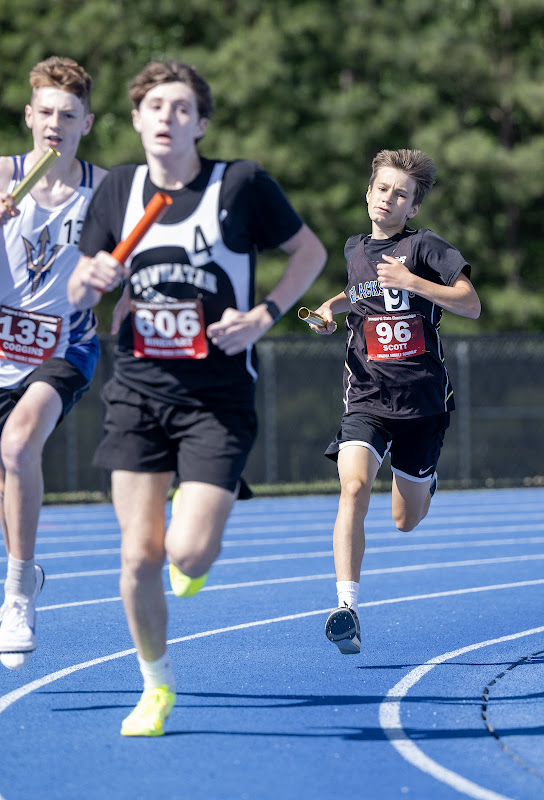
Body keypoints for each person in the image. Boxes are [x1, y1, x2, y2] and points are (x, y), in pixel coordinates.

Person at [67, 59, 326, 736]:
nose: (167, 117)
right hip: (138, 393)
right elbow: (79, 290)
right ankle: (155, 685)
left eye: (182, 108)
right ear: (135, 118)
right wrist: (89, 277)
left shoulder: (239, 184)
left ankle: (198, 527)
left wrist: (264, 315)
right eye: (155, 105)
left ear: (201, 123)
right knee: (136, 556)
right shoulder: (117, 192)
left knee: (185, 555)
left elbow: (309, 254)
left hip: (216, 398)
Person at [308, 149, 481, 655]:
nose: (388, 199)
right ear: (368, 194)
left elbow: (470, 304)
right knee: (354, 485)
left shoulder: (425, 247)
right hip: (366, 395)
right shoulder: (354, 247)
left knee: (406, 520)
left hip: (422, 404)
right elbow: (358, 293)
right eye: (382, 189)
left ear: (413, 208)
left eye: (400, 194)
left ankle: (425, 480)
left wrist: (414, 282)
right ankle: (346, 607)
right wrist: (327, 308)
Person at [0, 57, 107, 671]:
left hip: (63, 346)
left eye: (69, 115)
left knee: (18, 448)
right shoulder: (3, 177)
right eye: (46, 112)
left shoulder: (103, 190)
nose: (55, 125)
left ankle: (16, 597)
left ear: (86, 122)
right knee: (4, 467)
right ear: (29, 115)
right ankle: (27, 569)